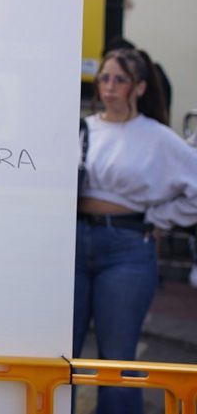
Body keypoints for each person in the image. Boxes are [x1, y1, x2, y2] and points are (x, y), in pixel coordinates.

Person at [74, 48, 197, 414]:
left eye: (120, 80)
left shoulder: (155, 136)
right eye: (105, 78)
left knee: (116, 355)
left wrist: (160, 219)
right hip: (74, 243)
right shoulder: (85, 127)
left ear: (139, 87)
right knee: (63, 352)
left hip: (126, 246)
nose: (110, 87)